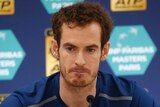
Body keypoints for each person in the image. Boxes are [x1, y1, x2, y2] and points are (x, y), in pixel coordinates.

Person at [0, 2, 159, 107]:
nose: (80, 61)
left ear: (104, 51)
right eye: (70, 48)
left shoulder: (131, 99)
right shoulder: (24, 104)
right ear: (55, 49)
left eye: (90, 50)